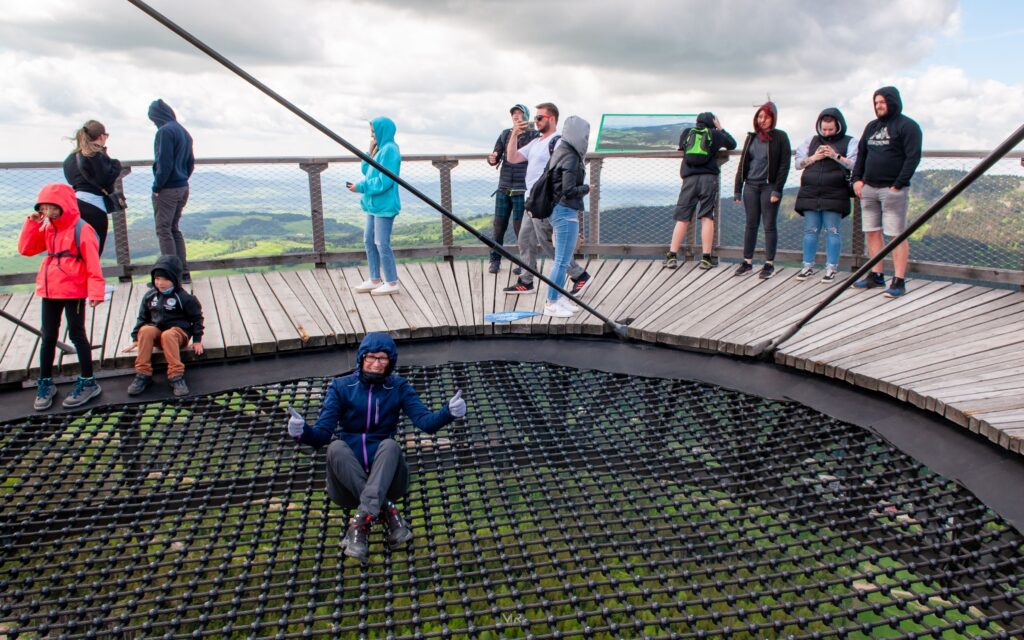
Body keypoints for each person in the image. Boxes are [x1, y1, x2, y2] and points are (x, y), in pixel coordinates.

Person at [286, 333, 466, 562]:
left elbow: (425, 423)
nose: (377, 363)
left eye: (383, 359)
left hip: (390, 483)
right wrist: (301, 432)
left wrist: (448, 412)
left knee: (390, 445)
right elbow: (321, 435)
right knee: (335, 447)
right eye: (371, 357)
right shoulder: (341, 387)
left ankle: (359, 525)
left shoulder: (398, 387)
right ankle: (387, 511)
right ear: (361, 358)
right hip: (346, 489)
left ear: (391, 362)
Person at [18, 184, 105, 411]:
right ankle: (45, 382)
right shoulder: (48, 228)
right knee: (48, 336)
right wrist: (32, 222)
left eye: (50, 207)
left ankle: (88, 381)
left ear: (63, 206)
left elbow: (93, 262)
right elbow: (26, 249)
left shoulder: (81, 228)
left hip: (74, 289)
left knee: (77, 334)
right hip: (50, 287)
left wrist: (96, 291)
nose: (46, 211)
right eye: (43, 207)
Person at [502, 102, 593, 296]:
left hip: (546, 201)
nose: (535, 121)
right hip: (531, 200)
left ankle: (579, 276)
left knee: (548, 244)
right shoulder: (536, 142)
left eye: (539, 118)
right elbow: (512, 157)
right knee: (525, 240)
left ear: (551, 119)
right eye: (535, 118)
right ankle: (526, 281)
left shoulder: (558, 142)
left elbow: (566, 170)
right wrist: (514, 134)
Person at [851, 86, 923, 298]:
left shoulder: (908, 126)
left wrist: (898, 184)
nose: (879, 106)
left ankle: (899, 281)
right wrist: (857, 180)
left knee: (896, 235)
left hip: (892, 189)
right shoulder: (871, 127)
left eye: (882, 102)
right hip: (869, 188)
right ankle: (877, 275)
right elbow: (861, 154)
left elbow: (913, 157)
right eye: (876, 103)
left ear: (893, 101)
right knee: (872, 232)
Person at [122, 255, 205, 397]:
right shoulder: (150, 296)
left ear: (174, 279)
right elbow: (142, 317)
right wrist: (136, 338)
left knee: (168, 334)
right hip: (158, 334)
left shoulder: (184, 298)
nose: (160, 283)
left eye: (165, 279)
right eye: (157, 279)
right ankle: (143, 374)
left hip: (178, 335)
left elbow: (197, 318)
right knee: (146, 330)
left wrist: (197, 340)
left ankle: (176, 376)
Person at [664, 112, 737, 270]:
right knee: (706, 217)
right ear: (712, 122)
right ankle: (706, 258)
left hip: (689, 178)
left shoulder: (687, 133)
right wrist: (720, 128)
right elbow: (732, 144)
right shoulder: (715, 134)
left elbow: (682, 147)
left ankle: (672, 256)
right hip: (708, 179)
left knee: (683, 218)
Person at [793, 108, 858, 283]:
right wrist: (814, 157)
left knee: (832, 230)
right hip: (811, 191)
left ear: (838, 126)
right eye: (824, 129)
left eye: (830, 129)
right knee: (811, 230)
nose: (827, 132)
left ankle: (831, 268)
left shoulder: (850, 142)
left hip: (836, 192)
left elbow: (855, 164)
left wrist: (835, 156)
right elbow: (798, 164)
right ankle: (807, 266)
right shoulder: (811, 141)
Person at [733, 101, 791, 279]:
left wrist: (777, 190)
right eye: (760, 117)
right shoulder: (752, 137)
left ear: (773, 118)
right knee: (751, 224)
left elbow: (784, 165)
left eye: (766, 117)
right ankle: (747, 262)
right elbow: (743, 163)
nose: (762, 120)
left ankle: (769, 264)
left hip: (769, 186)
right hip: (750, 185)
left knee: (769, 225)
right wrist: (737, 188)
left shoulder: (780, 137)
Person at [541, 116, 591, 317]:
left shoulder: (560, 151)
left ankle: (559, 298)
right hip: (565, 212)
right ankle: (551, 303)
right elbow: (569, 190)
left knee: (562, 260)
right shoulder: (571, 157)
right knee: (561, 261)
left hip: (556, 210)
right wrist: (587, 188)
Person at [349, 117, 402, 296]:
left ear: (383, 131)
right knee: (368, 240)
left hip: (385, 204)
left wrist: (361, 187)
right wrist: (370, 152)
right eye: (371, 133)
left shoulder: (391, 151)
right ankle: (374, 278)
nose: (373, 136)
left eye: (374, 132)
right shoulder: (380, 150)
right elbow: (367, 171)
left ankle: (392, 281)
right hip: (374, 204)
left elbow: (384, 181)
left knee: (381, 242)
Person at [486, 104, 540, 274]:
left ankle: (525, 264)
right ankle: (494, 260)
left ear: (527, 116)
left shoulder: (534, 136)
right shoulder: (505, 134)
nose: (516, 116)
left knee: (521, 230)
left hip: (522, 190)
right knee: (498, 227)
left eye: (519, 114)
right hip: (503, 188)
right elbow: (495, 156)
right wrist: (492, 159)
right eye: (514, 114)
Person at [148, 99, 196, 284]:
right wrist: (183, 178)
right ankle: (183, 272)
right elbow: (190, 162)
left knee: (163, 230)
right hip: (182, 186)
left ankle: (169, 274)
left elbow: (164, 162)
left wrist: (157, 187)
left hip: (168, 188)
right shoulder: (183, 131)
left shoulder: (164, 132)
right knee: (174, 229)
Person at [62, 120, 122, 257]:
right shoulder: (97, 156)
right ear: (101, 137)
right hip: (95, 208)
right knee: (93, 254)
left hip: (76, 205)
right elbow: (106, 178)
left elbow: (71, 180)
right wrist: (116, 164)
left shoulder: (70, 159)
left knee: (78, 252)